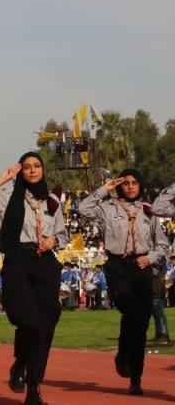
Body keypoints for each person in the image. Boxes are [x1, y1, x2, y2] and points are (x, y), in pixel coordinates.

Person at [0, 152, 68, 405]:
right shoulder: (6, 197)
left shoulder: (52, 201)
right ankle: (21, 362)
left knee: (46, 324)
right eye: (27, 167)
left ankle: (33, 387)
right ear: (21, 171)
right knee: (26, 320)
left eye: (37, 166)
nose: (33, 170)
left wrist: (53, 240)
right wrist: (2, 180)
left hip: (45, 262)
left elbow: (63, 234)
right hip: (17, 261)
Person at [80, 169, 168, 395]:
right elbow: (83, 208)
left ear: (140, 185)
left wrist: (149, 258)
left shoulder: (151, 211)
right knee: (128, 307)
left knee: (141, 323)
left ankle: (135, 377)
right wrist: (105, 189)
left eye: (134, 182)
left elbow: (162, 246)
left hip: (142, 265)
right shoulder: (108, 208)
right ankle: (122, 350)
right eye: (126, 183)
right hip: (118, 266)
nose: (130, 186)